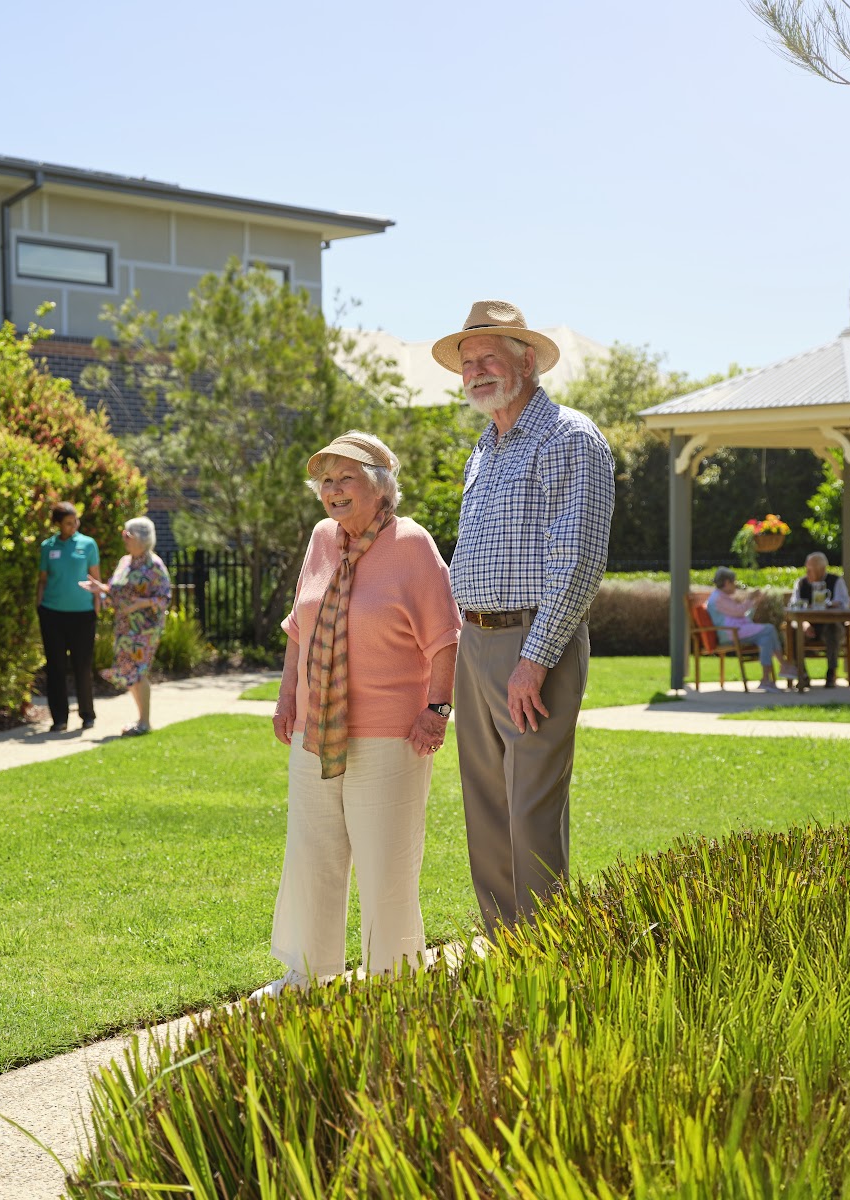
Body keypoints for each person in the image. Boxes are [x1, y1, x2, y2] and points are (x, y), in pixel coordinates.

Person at [254, 431, 461, 998]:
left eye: (347, 478)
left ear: (381, 486)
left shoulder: (412, 544)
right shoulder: (323, 538)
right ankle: (308, 972)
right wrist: (286, 697)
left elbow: (445, 639)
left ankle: (393, 982)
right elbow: (300, 625)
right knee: (312, 849)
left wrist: (436, 709)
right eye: (326, 479)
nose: (333, 490)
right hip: (316, 727)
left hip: (391, 732)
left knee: (385, 860)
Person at [434, 300, 615, 934]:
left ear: (527, 360)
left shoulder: (569, 436)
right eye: (468, 362)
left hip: (533, 645)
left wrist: (533, 662)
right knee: (484, 806)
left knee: (530, 810)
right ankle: (502, 949)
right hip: (473, 644)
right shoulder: (483, 449)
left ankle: (547, 957)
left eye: (490, 357)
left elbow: (580, 557)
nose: (477, 371)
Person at [83, 516, 172, 735]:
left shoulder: (154, 565)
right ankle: (141, 719)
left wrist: (141, 603)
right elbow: (117, 589)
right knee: (129, 672)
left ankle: (144, 722)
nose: (125, 539)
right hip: (125, 627)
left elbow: (164, 598)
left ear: (142, 539)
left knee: (138, 672)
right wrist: (101, 588)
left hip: (145, 629)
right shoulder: (125, 561)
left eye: (128, 536)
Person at [35, 501, 101, 733]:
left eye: (76, 522)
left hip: (83, 615)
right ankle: (59, 718)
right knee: (55, 667)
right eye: (68, 523)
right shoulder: (48, 547)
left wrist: (96, 608)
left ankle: (87, 715)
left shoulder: (88, 544)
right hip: (52, 614)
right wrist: (39, 606)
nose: (73, 526)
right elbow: (42, 580)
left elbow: (95, 579)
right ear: (58, 524)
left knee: (82, 665)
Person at [705, 566, 798, 693]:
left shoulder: (723, 597)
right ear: (727, 582)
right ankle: (783, 665)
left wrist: (754, 602)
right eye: (734, 582)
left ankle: (766, 679)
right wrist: (750, 598)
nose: (736, 585)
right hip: (730, 633)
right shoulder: (718, 598)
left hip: (738, 630)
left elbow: (743, 616)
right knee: (769, 629)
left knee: (766, 638)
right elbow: (739, 612)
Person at [791, 551, 850, 688]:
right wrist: (805, 624)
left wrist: (834, 604)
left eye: (810, 569)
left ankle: (831, 672)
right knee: (794, 632)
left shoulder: (836, 582)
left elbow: (844, 604)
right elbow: (794, 606)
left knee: (833, 629)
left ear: (822, 569)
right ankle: (802, 674)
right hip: (809, 625)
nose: (807, 572)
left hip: (830, 624)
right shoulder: (801, 583)